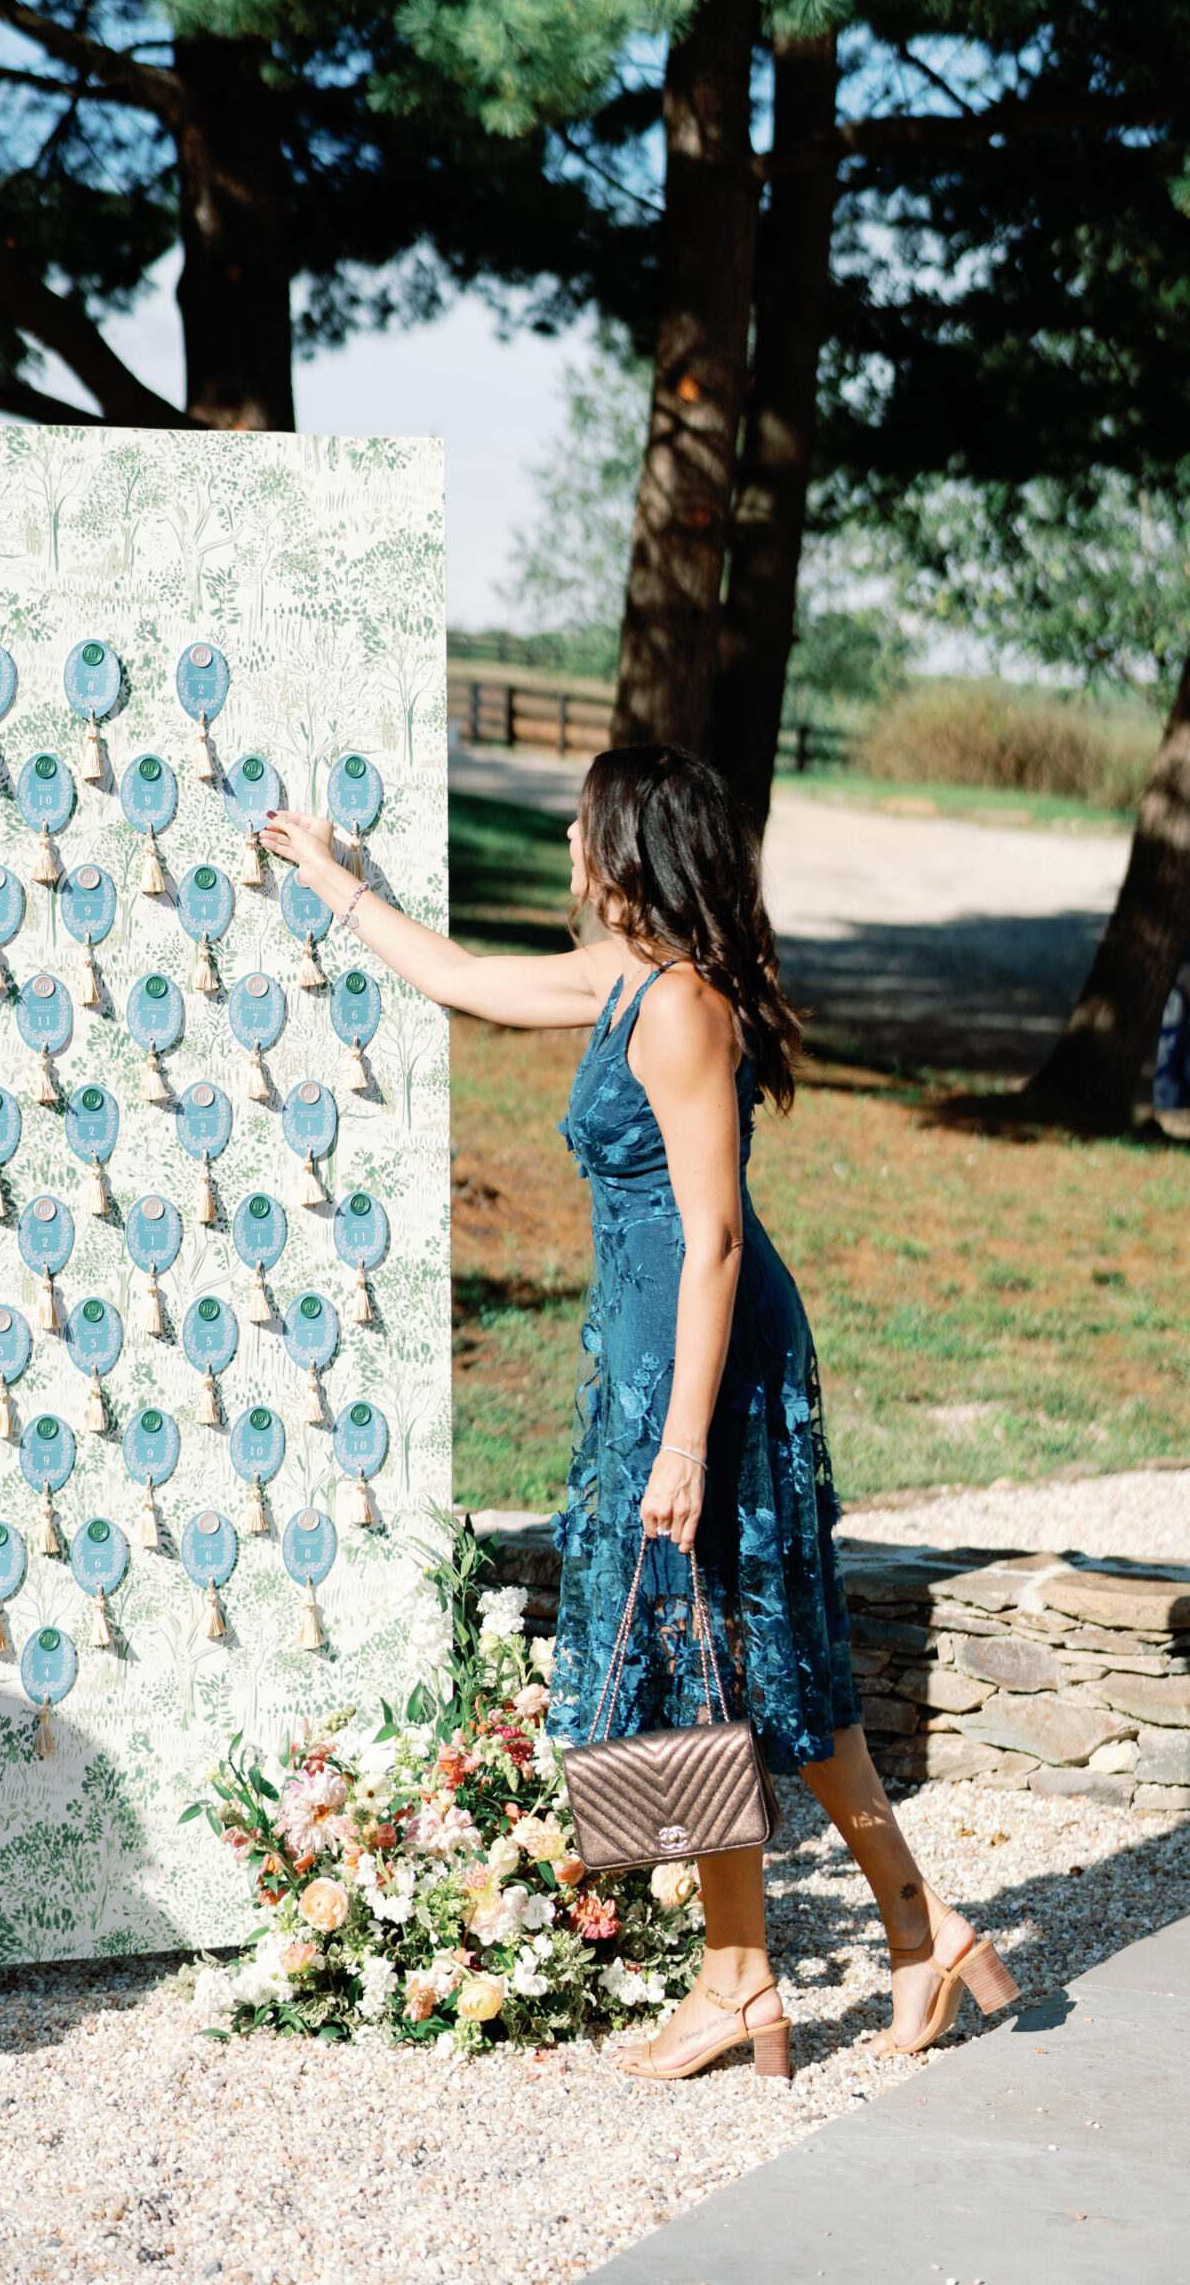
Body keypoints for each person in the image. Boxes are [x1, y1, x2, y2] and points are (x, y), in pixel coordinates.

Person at [260, 745, 1018, 2078]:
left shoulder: (678, 1009)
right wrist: (341, 882)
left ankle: (882, 1936)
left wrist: (679, 1437)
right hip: (642, 1356)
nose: (562, 829)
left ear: (629, 843)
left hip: (701, 1362)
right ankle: (776, 1969)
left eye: (581, 815)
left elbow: (715, 1236)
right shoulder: (623, 979)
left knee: (733, 1652)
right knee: (695, 1659)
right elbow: (462, 978)